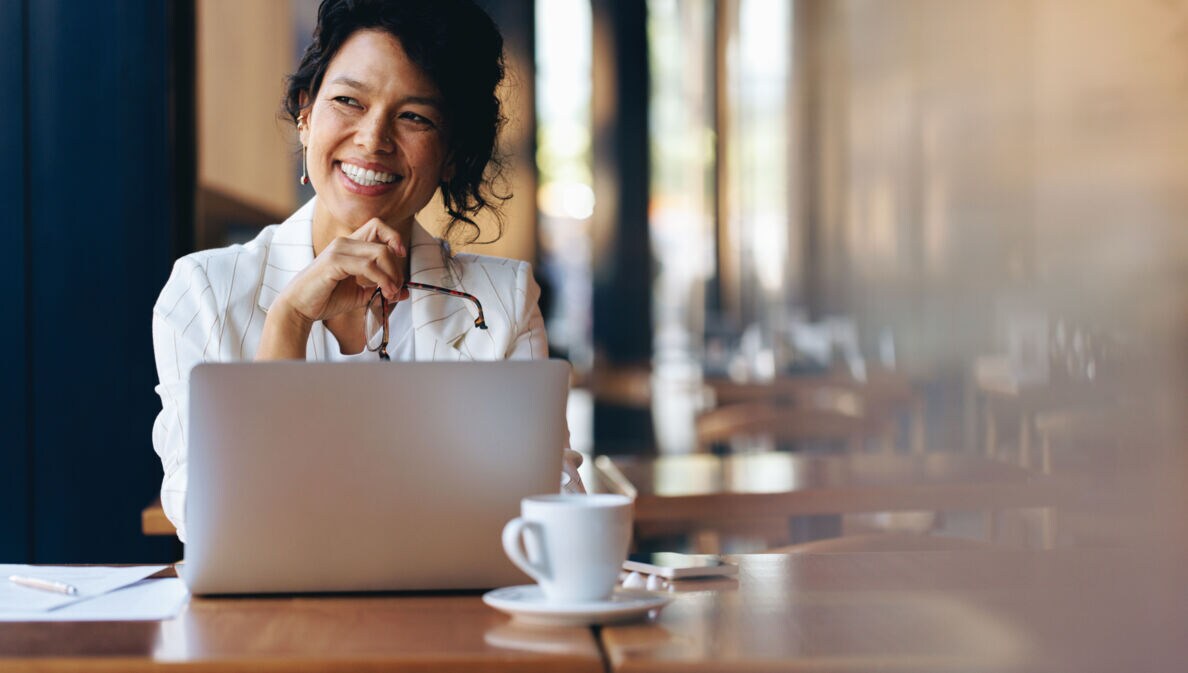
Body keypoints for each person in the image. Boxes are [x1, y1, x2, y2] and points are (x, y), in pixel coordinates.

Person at [152, 0, 581, 542]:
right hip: (271, 624)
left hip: (451, 619)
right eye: (348, 102)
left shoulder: (503, 300)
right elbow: (208, 519)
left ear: (451, 154)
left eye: (414, 117)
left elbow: (555, 512)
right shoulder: (204, 293)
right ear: (306, 116)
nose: (373, 139)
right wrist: (289, 320)